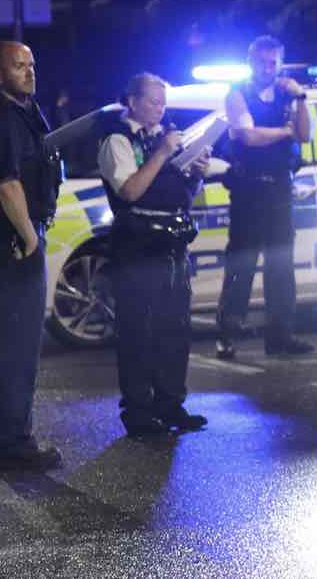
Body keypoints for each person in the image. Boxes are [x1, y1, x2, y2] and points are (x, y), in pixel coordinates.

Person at [98, 74, 218, 436]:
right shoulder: (117, 139)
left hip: (173, 244)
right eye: (153, 101)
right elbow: (130, 191)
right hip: (138, 245)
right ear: (133, 101)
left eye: (163, 103)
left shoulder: (166, 137)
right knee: (139, 331)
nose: (160, 109)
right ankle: (138, 411)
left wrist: (196, 174)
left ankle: (170, 404)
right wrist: (163, 153)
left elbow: (180, 195)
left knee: (174, 328)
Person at [0, 41, 65, 471]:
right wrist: (27, 235)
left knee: (13, 344)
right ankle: (12, 445)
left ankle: (11, 441)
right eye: (19, 66)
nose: (29, 72)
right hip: (15, 244)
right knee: (15, 348)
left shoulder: (21, 113)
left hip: (5, 238)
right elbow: (7, 184)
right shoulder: (2, 117)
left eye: (31, 64)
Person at [216, 36, 315, 358]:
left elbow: (305, 134)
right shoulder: (237, 94)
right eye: (261, 62)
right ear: (250, 62)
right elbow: (249, 136)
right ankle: (228, 335)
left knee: (281, 265)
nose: (267, 68)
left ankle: (280, 336)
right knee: (241, 264)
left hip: (279, 189)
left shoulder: (288, 95)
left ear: (280, 64)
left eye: (273, 62)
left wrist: (301, 97)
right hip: (248, 189)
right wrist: (284, 131)